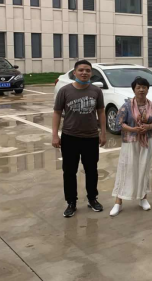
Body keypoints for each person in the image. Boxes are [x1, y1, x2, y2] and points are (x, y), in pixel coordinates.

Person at [52, 60, 106, 218]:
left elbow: (101, 112)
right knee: (69, 172)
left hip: (91, 137)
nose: (84, 73)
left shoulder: (96, 91)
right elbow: (57, 112)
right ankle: (71, 202)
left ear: (91, 73)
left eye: (88, 70)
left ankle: (92, 199)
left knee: (91, 170)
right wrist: (54, 135)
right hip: (70, 137)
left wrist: (103, 133)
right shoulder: (65, 91)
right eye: (81, 70)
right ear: (74, 72)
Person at [110, 77, 152, 217]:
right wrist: (133, 129)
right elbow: (119, 123)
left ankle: (143, 198)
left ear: (148, 89)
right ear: (134, 89)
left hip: (147, 141)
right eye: (138, 87)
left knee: (144, 169)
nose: (141, 90)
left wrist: (148, 127)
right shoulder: (126, 106)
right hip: (130, 141)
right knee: (126, 169)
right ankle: (118, 202)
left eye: (144, 87)